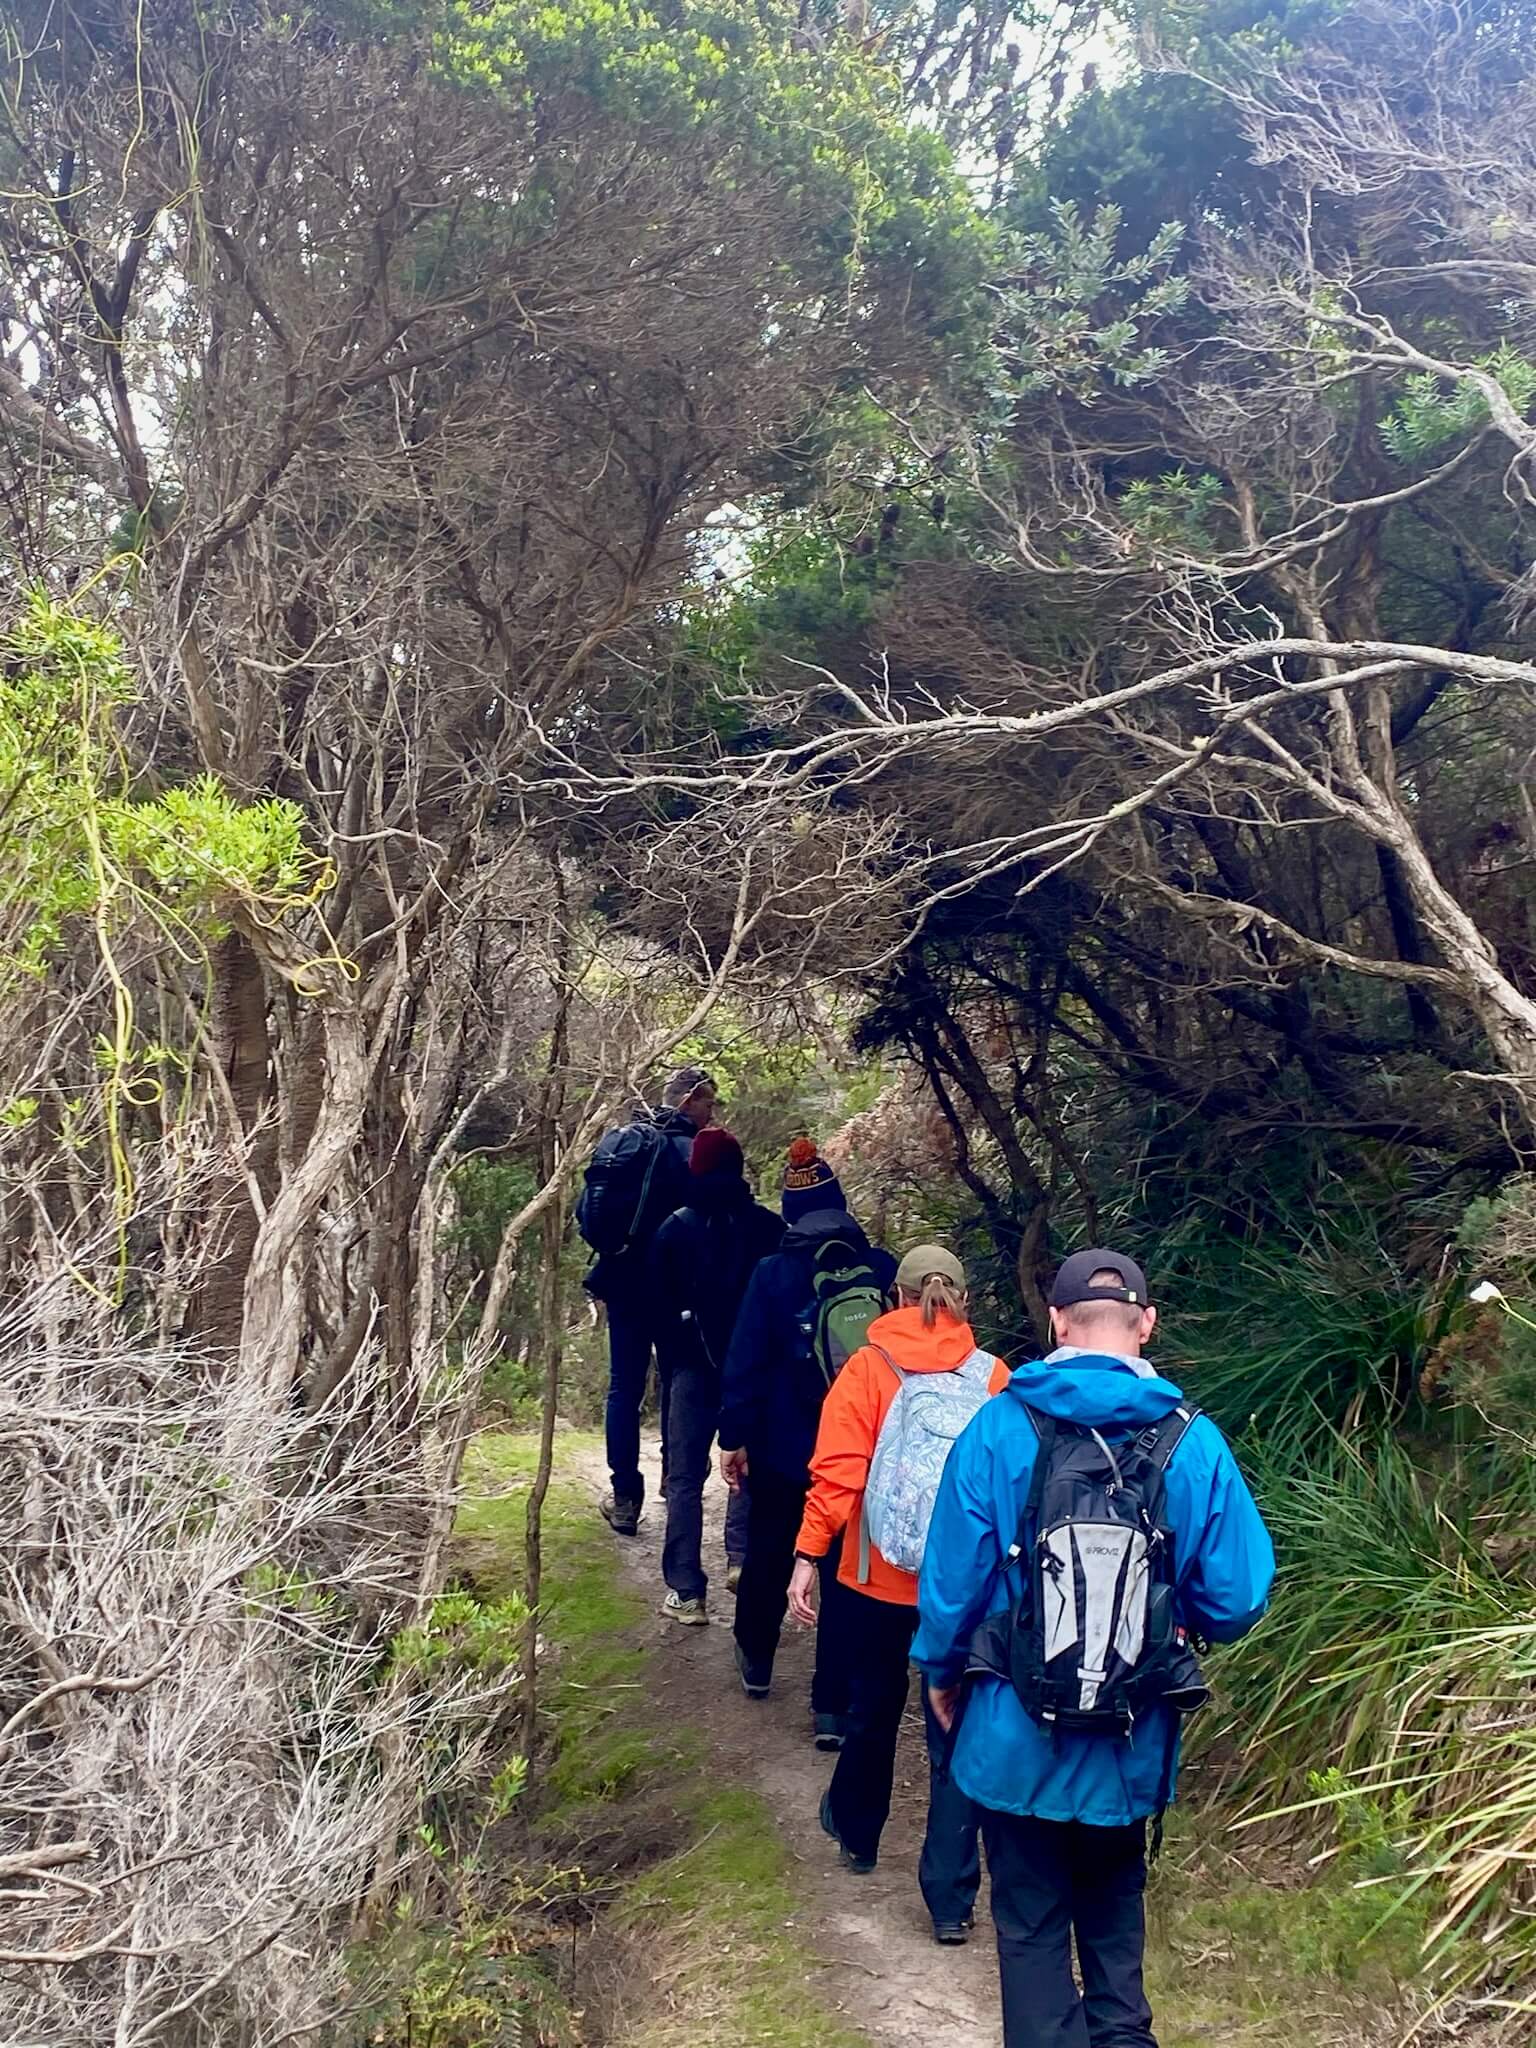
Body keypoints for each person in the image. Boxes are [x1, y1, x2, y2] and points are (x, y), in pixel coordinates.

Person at [914, 1249, 1276, 2048]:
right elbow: (1239, 1596)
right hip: (1130, 1736)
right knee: (1114, 1926)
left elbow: (949, 1587)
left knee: (1032, 1928)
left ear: (1055, 1323)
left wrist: (943, 1677)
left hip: (1012, 1736)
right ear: (1147, 1323)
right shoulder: (1194, 1442)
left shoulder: (1000, 1426)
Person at [787, 1245, 1009, 1913]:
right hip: (964, 1585)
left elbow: (838, 1473)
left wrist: (806, 1556)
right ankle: (950, 1900)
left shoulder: (866, 1368)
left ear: (894, 1300)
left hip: (873, 1576)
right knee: (955, 1726)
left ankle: (857, 1833)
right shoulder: (995, 1376)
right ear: (962, 1301)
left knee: (873, 1708)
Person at [718, 1138, 894, 1748]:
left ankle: (757, 1660)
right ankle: (831, 1709)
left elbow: (745, 1360)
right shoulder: (882, 1270)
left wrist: (733, 1438)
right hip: (862, 1451)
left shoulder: (773, 1273)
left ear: (790, 1214)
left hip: (784, 1448)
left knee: (770, 1549)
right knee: (846, 1572)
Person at [651, 1127, 783, 1625]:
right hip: (753, 1374)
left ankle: (687, 1591)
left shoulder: (673, 1231)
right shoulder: (769, 1230)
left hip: (690, 1370)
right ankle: (741, 1560)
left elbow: (658, 1315)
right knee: (748, 1468)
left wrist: (675, 1359)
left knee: (684, 1477)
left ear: (696, 1169)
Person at [578, 1066, 717, 1536]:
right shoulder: (688, 1153)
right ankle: (672, 1480)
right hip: (674, 1291)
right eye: (707, 1103)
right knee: (680, 1381)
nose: (711, 1113)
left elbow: (586, 1213)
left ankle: (625, 1498)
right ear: (687, 1101)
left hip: (622, 1284)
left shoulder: (626, 1146)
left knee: (624, 1389)